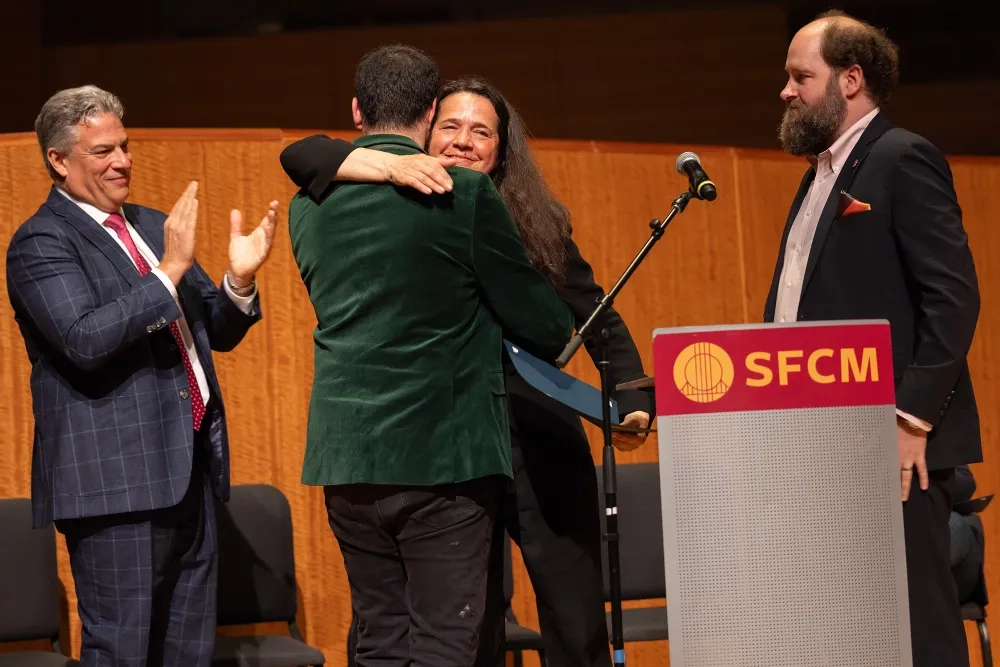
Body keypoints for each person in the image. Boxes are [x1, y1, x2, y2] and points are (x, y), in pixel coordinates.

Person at [281, 76, 654, 667]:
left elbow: (590, 312)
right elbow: (305, 155)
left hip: (535, 432)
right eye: (450, 126)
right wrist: (381, 166)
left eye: (481, 131)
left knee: (571, 604)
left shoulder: (533, 218)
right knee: (468, 618)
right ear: (426, 130)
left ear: (502, 147)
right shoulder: (402, 201)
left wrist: (632, 390)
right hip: (450, 448)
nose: (462, 141)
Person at [5, 85, 279, 667]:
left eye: (124, 147)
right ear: (58, 160)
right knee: (122, 650)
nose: (123, 161)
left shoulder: (153, 225)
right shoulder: (40, 241)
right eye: (102, 151)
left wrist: (240, 281)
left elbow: (217, 332)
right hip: (115, 487)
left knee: (188, 652)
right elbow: (84, 339)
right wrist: (170, 270)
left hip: (190, 474)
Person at [768, 11, 981, 666]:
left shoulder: (901, 157)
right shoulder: (819, 174)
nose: (786, 90)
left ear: (850, 79)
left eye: (800, 76)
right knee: (853, 632)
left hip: (894, 446)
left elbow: (954, 298)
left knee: (920, 631)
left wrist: (912, 418)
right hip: (825, 442)